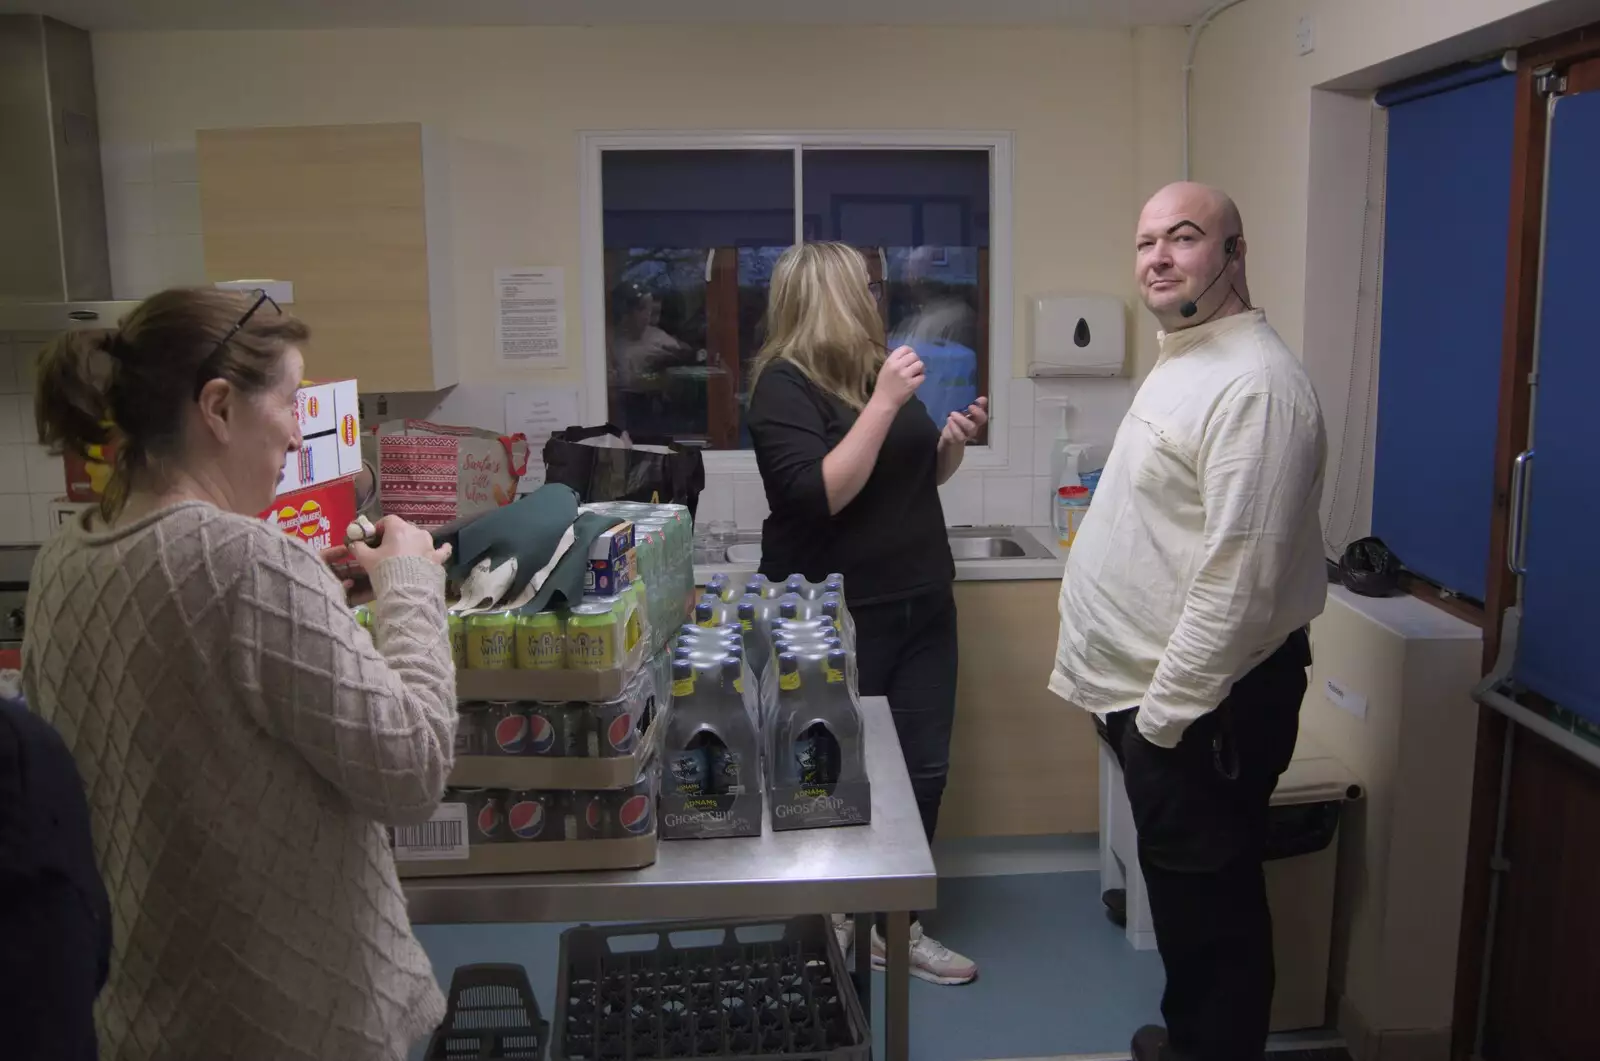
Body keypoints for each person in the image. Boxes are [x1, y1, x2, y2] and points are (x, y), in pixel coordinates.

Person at [23, 287, 459, 1061]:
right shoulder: (247, 563)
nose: (297, 433)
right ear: (218, 407)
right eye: (291, 402)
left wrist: (313, 596)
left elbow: (193, 696)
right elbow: (413, 765)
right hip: (291, 1028)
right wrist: (410, 586)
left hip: (146, 1020)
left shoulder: (67, 560)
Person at [1047, 183, 1327, 1061]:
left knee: (1215, 917)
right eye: (1145, 242)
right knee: (1186, 906)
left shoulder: (1259, 386)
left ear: (1234, 253)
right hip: (1154, 700)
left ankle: (1212, 1048)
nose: (1158, 257)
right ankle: (1190, 1039)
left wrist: (1163, 724)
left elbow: (1237, 587)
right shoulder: (1190, 354)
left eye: (1184, 237)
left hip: (1202, 710)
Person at [746, 242, 987, 986]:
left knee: (925, 770)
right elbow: (818, 493)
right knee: (837, 777)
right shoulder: (784, 387)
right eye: (868, 287)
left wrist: (947, 448)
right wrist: (885, 403)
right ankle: (838, 918)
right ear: (833, 297)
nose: (878, 299)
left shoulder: (868, 373)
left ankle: (895, 924)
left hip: (922, 602)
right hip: (839, 618)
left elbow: (905, 479)